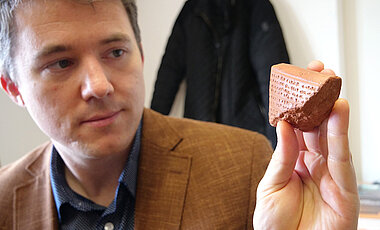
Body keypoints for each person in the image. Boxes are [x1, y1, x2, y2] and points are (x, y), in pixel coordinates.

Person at [0, 0, 359, 229]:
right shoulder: (5, 202)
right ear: (13, 87)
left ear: (140, 55)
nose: (100, 85)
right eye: (61, 63)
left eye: (115, 52)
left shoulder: (248, 163)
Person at [151, 0, 290, 148]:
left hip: (243, 138)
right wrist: (150, 135)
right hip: (198, 135)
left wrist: (279, 149)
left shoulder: (256, 7)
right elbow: (169, 74)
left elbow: (275, 82)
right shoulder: (192, 10)